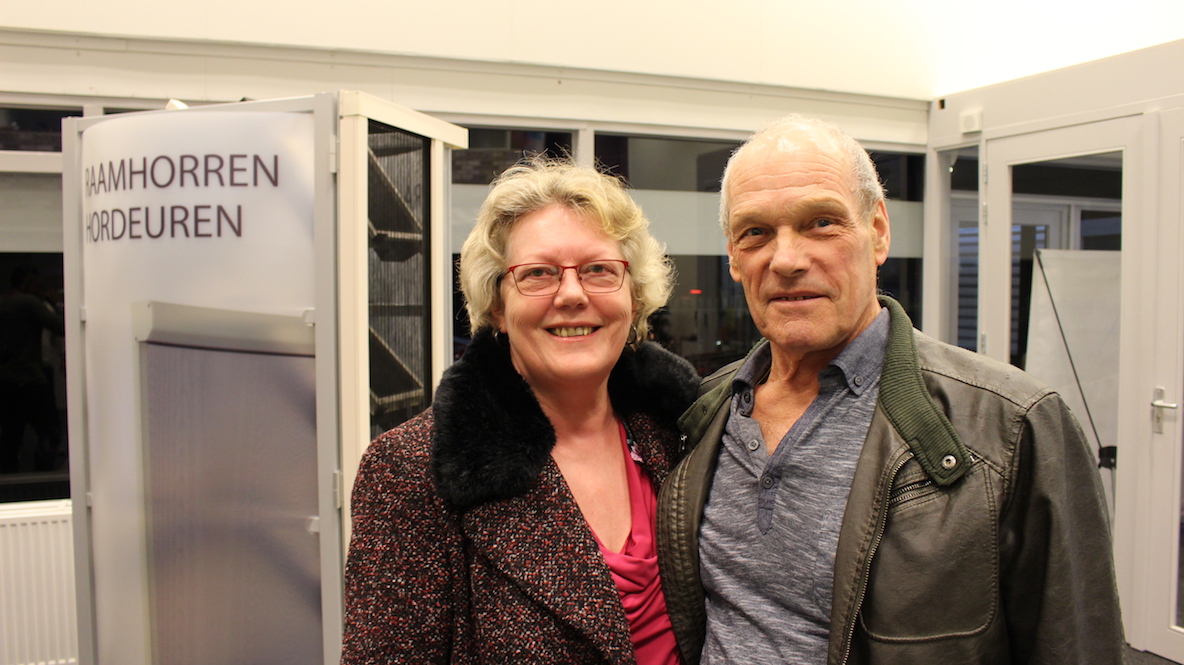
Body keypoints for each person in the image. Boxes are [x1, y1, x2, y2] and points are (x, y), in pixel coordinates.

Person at [656, 114, 1125, 664]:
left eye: (821, 223)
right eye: (756, 232)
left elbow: (1075, 645)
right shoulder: (706, 408)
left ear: (877, 232)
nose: (786, 260)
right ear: (734, 257)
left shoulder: (1012, 425)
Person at [341, 157, 699, 664]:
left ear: (634, 297)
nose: (572, 294)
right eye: (538, 274)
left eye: (599, 270)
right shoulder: (410, 472)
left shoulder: (682, 431)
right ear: (497, 307)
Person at [0, 264, 64, 473]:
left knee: (11, 437)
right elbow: (61, 327)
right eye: (37, 285)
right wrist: (56, 303)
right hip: (30, 376)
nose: (41, 290)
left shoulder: (4, 301)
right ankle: (42, 478)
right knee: (50, 431)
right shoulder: (28, 302)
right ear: (26, 283)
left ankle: (9, 483)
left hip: (6, 379)